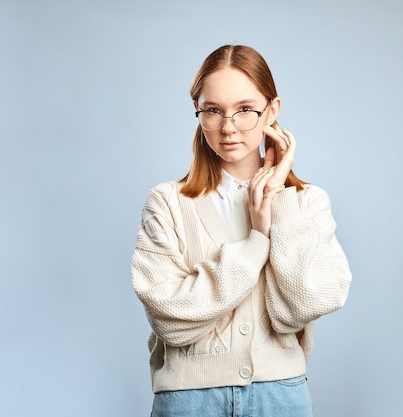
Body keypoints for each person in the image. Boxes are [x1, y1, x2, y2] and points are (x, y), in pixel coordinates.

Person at [131, 44, 352, 417]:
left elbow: (303, 304)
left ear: (273, 111)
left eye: (246, 109)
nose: (228, 126)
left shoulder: (308, 202)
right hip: (188, 400)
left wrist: (279, 200)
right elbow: (169, 318)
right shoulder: (167, 202)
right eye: (213, 111)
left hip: (281, 397)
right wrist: (257, 243)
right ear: (198, 113)